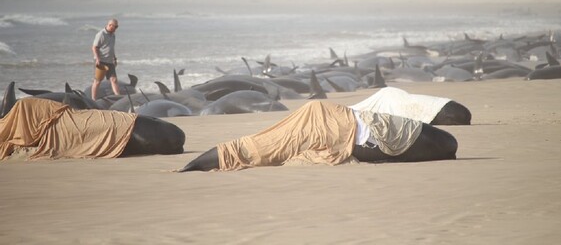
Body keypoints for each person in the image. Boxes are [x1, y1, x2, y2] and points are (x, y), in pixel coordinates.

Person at [178, 100, 458, 172]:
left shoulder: (444, 142)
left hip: (337, 120)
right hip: (331, 119)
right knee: (267, 146)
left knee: (265, 147)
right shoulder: (445, 143)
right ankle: (201, 164)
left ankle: (198, 165)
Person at [91, 18, 120, 100]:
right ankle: (93, 99)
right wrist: (97, 59)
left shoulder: (113, 35)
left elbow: (111, 48)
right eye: (115, 27)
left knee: (114, 80)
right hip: (101, 61)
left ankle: (118, 97)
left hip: (110, 61)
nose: (116, 29)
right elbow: (94, 47)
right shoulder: (101, 34)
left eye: (117, 27)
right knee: (97, 81)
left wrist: (114, 58)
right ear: (110, 25)